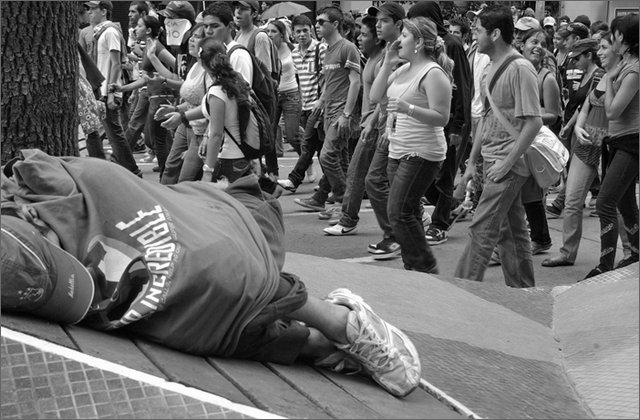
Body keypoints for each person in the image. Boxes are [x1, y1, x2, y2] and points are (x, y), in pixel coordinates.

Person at [1, 148, 421, 399]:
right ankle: (319, 346)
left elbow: (98, 183)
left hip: (230, 218)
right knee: (193, 324)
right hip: (99, 265)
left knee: (217, 271)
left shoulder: (39, 181)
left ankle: (341, 321)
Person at [454, 4, 542, 288]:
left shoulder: (520, 69)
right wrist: (471, 164)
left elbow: (533, 123)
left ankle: (462, 289)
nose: (473, 36)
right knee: (510, 231)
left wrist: (506, 163)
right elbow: (485, 120)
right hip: (492, 161)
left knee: (482, 227)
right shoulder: (488, 69)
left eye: (478, 31)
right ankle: (524, 292)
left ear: (494, 33)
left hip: (508, 163)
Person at [370, 16, 452, 274]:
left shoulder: (433, 73)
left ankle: (425, 267)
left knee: (398, 212)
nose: (398, 40)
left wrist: (409, 108)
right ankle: (413, 269)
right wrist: (386, 63)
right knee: (409, 214)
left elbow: (442, 117)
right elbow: (375, 97)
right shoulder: (403, 70)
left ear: (418, 42)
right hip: (398, 148)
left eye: (404, 36)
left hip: (422, 151)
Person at [542, 35, 617, 268]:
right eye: (599, 48)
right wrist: (578, 125)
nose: (600, 52)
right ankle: (567, 252)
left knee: (617, 204)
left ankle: (632, 253)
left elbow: (617, 114)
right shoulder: (598, 76)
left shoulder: (625, 76)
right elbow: (585, 106)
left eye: (604, 48)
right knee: (572, 200)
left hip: (610, 146)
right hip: (586, 144)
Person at [406, 2, 472, 248]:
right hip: (429, 117)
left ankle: (440, 224)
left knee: (445, 173)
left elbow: (462, 86)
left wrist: (458, 125)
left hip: (451, 119)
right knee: (428, 174)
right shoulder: (422, 44)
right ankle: (452, 205)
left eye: (417, 19)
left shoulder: (452, 44)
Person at [585, 14, 639, 278]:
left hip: (632, 142)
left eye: (615, 35)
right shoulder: (625, 66)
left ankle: (604, 265)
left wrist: (608, 83)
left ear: (625, 39)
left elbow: (613, 112)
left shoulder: (634, 70)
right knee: (626, 203)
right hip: (619, 141)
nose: (611, 38)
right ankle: (637, 255)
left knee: (605, 202)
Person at [293, 7, 361, 214]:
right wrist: (320, 102)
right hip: (327, 109)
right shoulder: (327, 49)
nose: (317, 26)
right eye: (318, 22)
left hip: (341, 111)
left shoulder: (347, 48)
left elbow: (355, 82)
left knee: (327, 156)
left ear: (336, 24)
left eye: (322, 22)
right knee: (339, 159)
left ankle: (343, 204)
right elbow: (330, 82)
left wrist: (347, 115)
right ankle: (328, 200)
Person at [323, 13, 385, 236]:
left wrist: (351, 115)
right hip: (370, 125)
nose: (360, 37)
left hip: (376, 127)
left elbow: (384, 98)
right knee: (374, 179)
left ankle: (349, 218)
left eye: (365, 34)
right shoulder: (371, 59)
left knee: (361, 175)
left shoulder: (381, 62)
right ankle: (411, 219)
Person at [111, 15, 177, 179]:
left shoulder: (156, 47)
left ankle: (166, 176)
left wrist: (161, 73)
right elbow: (144, 79)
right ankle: (166, 174)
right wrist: (123, 87)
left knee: (159, 140)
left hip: (162, 98)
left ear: (148, 30)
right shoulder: (148, 47)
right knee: (155, 138)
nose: (135, 29)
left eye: (139, 26)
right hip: (153, 96)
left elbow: (177, 70)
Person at [364, 1, 405, 259]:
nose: (378, 25)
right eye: (377, 21)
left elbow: (398, 96)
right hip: (383, 123)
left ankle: (397, 235)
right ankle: (401, 232)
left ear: (399, 25)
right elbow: (382, 96)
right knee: (383, 181)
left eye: (384, 21)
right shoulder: (388, 51)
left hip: (398, 127)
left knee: (375, 180)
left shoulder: (403, 52)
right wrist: (372, 120)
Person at [86, 0, 142, 177]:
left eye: (93, 9)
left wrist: (110, 93)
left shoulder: (110, 31)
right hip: (98, 88)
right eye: (88, 10)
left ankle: (132, 169)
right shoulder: (99, 32)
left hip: (105, 89)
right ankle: (109, 167)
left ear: (104, 11)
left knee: (114, 133)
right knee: (100, 131)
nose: (89, 13)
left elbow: (116, 64)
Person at [277, 14, 327, 193]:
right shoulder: (295, 53)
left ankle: (294, 180)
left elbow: (328, 78)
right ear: (293, 34)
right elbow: (299, 80)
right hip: (305, 106)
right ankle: (326, 185)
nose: (302, 35)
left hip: (318, 107)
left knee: (308, 146)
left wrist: (321, 102)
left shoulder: (321, 49)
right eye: (298, 31)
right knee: (318, 149)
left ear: (311, 31)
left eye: (305, 30)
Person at [197, 39, 254, 183]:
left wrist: (208, 170)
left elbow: (216, 134)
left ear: (202, 63)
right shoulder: (238, 82)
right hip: (244, 155)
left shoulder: (217, 92)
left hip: (229, 159)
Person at [266, 20, 302, 157]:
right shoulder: (266, 49)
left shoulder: (292, 48)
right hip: (273, 95)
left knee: (292, 135)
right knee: (269, 135)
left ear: (281, 34)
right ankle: (272, 172)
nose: (270, 34)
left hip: (291, 93)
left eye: (273, 31)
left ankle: (306, 159)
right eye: (268, 31)